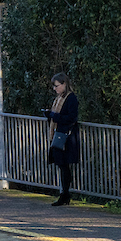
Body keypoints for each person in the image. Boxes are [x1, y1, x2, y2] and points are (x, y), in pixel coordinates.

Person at [46, 73, 81, 206]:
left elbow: (71, 117)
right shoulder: (59, 98)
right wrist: (50, 115)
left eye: (56, 86)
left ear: (64, 84)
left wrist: (54, 116)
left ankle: (65, 194)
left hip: (67, 136)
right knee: (61, 165)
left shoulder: (71, 98)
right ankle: (64, 193)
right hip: (60, 134)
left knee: (64, 165)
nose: (55, 89)